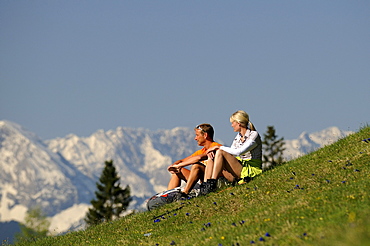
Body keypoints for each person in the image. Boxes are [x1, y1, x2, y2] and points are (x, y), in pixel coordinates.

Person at [201, 110, 263, 195]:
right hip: (240, 166)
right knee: (213, 155)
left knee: (220, 152)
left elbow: (238, 152)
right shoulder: (238, 137)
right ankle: (206, 185)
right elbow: (231, 153)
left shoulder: (253, 135)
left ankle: (212, 183)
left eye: (233, 122)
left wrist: (219, 147)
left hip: (250, 169)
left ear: (239, 123)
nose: (231, 125)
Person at [167, 123, 222, 197]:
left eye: (197, 135)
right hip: (201, 182)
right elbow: (182, 160)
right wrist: (175, 165)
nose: (195, 138)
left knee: (196, 166)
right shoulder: (202, 150)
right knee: (177, 171)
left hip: (215, 182)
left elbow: (199, 158)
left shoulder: (216, 146)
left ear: (205, 135)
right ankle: (168, 196)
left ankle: (185, 193)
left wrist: (179, 165)